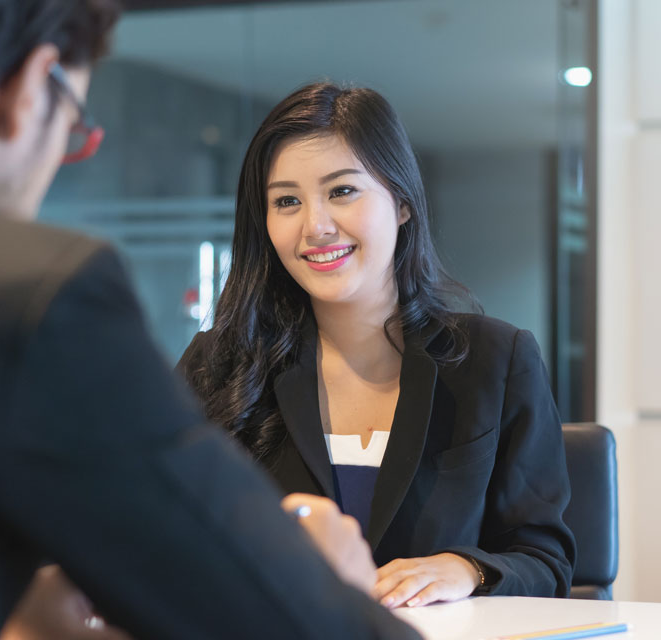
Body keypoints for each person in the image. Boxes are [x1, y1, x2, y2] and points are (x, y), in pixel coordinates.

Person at [0, 3, 420, 639]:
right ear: (33, 86)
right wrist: (326, 580)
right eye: (75, 125)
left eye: (344, 191)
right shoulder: (22, 290)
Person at [177, 83, 577, 609]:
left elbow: (545, 558)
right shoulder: (220, 364)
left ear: (403, 202)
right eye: (287, 201)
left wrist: (467, 568)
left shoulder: (494, 360)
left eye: (342, 191)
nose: (315, 226)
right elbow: (162, 533)